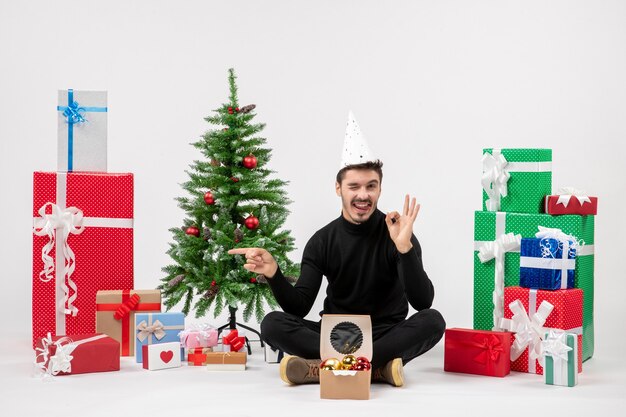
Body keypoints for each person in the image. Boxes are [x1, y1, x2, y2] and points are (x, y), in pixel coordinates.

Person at [228, 113, 445, 387]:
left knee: (433, 321)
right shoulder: (322, 240)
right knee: (272, 323)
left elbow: (422, 302)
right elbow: (299, 306)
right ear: (338, 188)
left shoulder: (398, 233)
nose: (363, 195)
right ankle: (377, 369)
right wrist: (274, 274)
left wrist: (405, 248)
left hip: (384, 334)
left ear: (379, 189)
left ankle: (325, 368)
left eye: (371, 186)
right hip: (335, 335)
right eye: (354, 186)